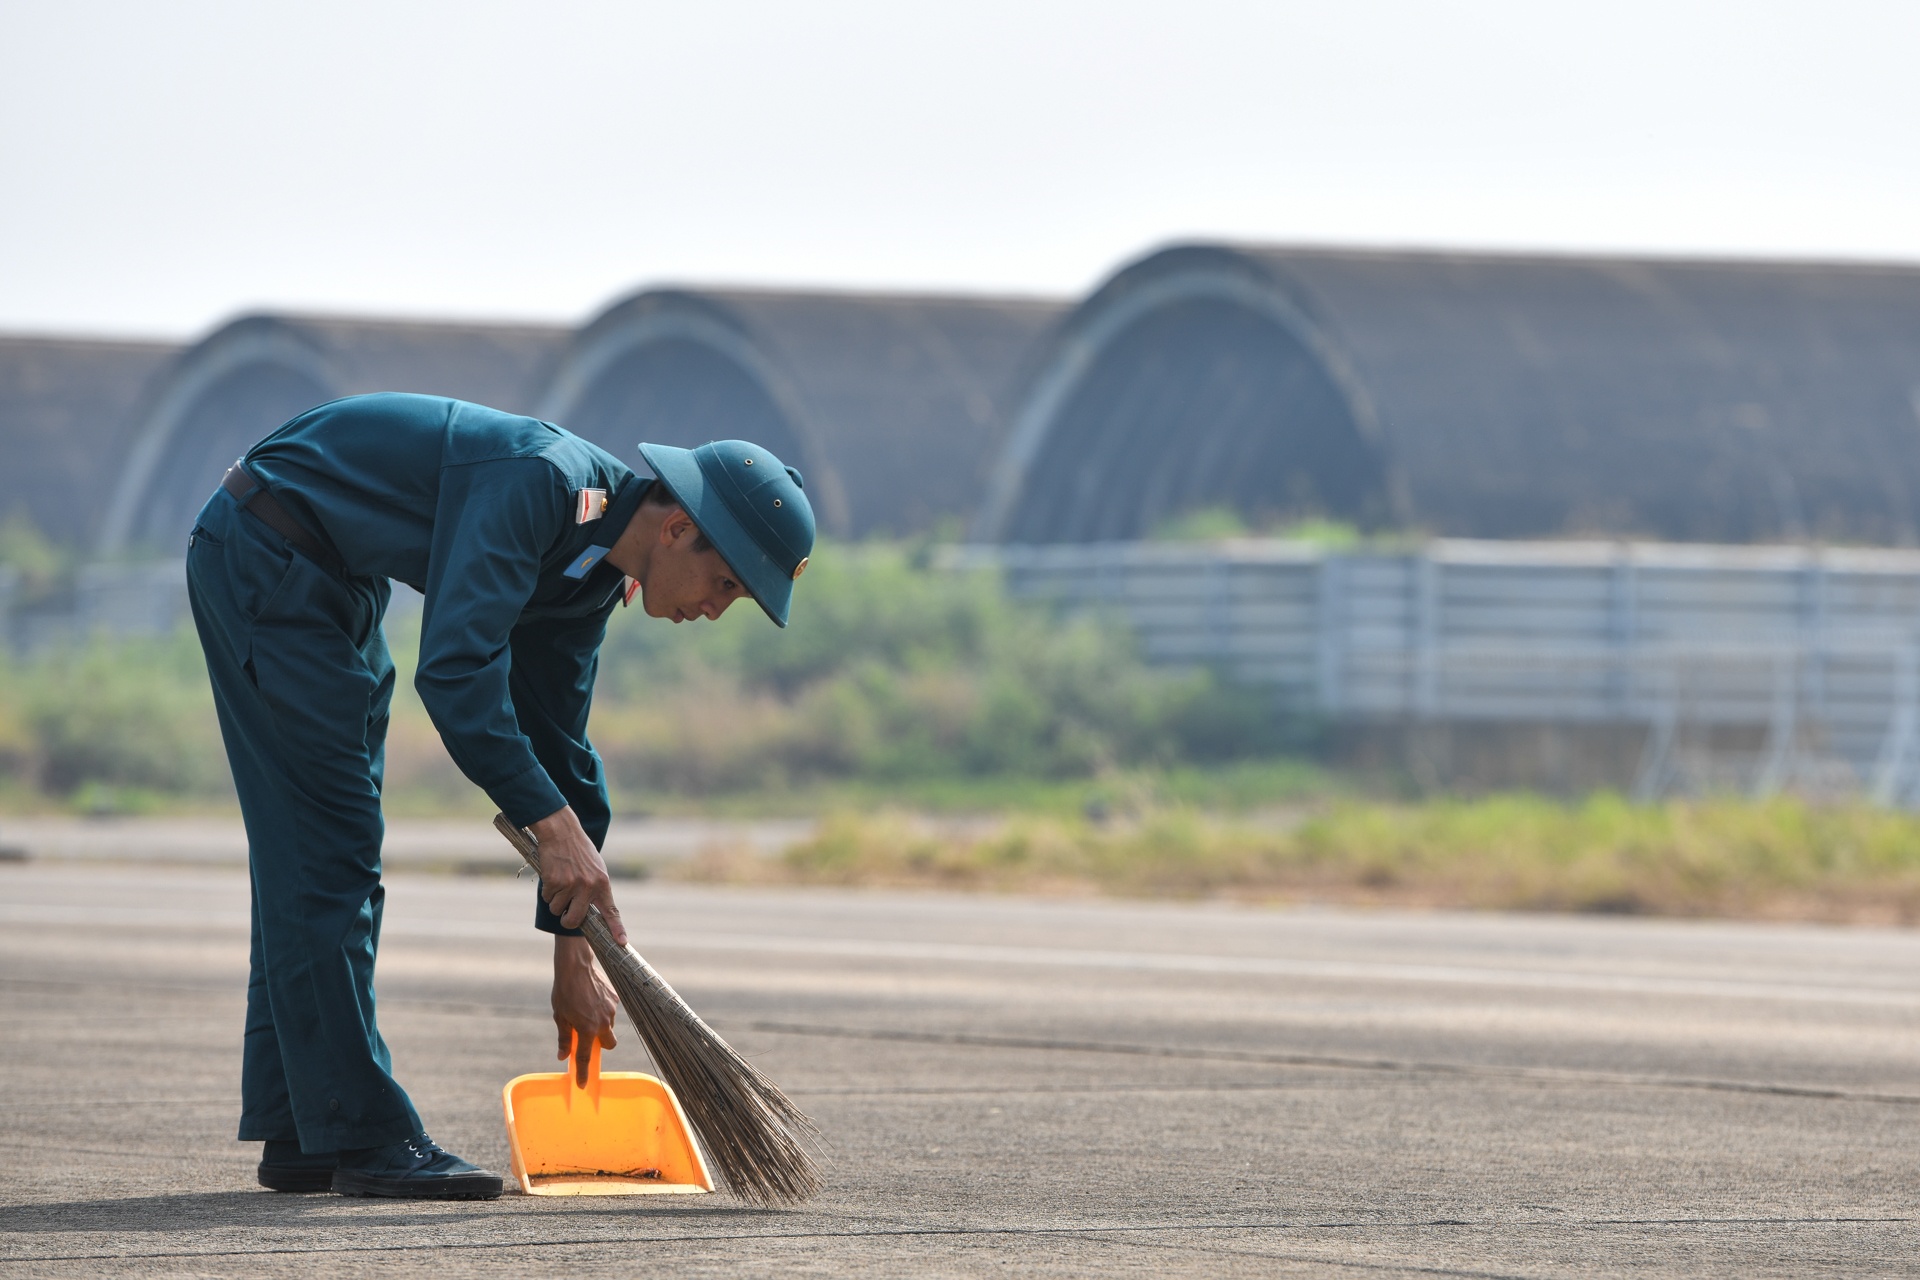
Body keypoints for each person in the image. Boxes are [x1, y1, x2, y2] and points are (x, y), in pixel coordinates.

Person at [185, 392, 815, 1199]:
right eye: (725, 583)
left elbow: (560, 749)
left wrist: (573, 947)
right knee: (327, 854)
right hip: (267, 555)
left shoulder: (590, 570)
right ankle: (362, 1131)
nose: (715, 610)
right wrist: (549, 827)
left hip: (334, 584)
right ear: (677, 528)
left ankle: (303, 1128)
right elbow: (453, 672)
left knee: (320, 856)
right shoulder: (540, 487)